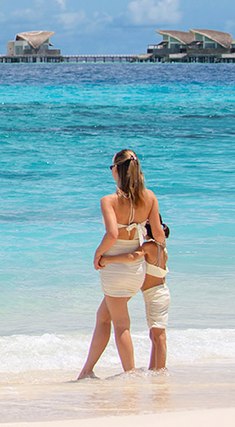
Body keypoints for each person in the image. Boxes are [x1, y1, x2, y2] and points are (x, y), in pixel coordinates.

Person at [77, 149, 167, 380]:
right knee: (103, 317)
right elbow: (158, 235)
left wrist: (98, 253)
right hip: (135, 270)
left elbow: (112, 234)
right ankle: (86, 371)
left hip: (115, 269)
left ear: (116, 170)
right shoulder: (150, 197)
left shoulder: (108, 201)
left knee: (121, 325)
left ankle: (130, 375)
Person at [99, 218, 171, 371]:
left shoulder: (148, 246)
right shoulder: (161, 245)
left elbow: (132, 257)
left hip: (155, 295)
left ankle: (160, 372)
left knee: (158, 336)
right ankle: (155, 369)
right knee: (155, 335)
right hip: (159, 293)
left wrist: (108, 259)